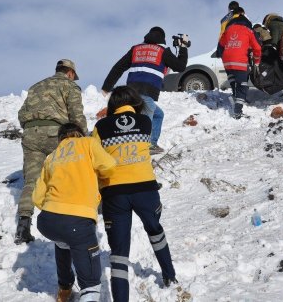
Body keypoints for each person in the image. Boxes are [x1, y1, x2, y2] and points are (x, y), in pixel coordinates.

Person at [92, 86, 178, 301]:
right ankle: (170, 276)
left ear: (112, 105)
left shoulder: (101, 126)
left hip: (115, 193)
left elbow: (95, 157)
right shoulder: (145, 122)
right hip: (145, 189)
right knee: (155, 231)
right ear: (135, 101)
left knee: (119, 252)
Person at [33, 123, 116, 302]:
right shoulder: (88, 143)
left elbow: (37, 197)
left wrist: (57, 210)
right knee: (91, 283)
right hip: (78, 221)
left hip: (47, 221)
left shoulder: (52, 156)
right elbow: (109, 165)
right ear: (80, 133)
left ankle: (64, 289)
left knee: (63, 242)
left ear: (60, 139)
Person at [15, 59, 88, 245]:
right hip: (56, 134)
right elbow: (76, 115)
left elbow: (21, 113)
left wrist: (31, 126)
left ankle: (23, 226)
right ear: (70, 73)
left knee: (31, 180)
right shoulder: (69, 86)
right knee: (67, 172)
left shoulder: (35, 87)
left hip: (31, 135)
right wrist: (85, 139)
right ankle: (67, 216)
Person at [101, 26, 188, 155]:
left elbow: (118, 67)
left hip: (130, 92)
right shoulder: (162, 51)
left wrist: (107, 87)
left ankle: (150, 143)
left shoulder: (136, 49)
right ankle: (143, 147)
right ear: (162, 39)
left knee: (158, 114)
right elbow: (180, 66)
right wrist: (183, 47)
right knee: (145, 119)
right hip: (147, 92)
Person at [218, 7, 261, 119]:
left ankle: (235, 96)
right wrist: (256, 62)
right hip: (239, 60)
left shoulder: (228, 29)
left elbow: (220, 45)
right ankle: (237, 110)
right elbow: (257, 48)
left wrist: (222, 56)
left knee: (233, 79)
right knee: (243, 85)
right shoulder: (248, 30)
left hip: (227, 60)